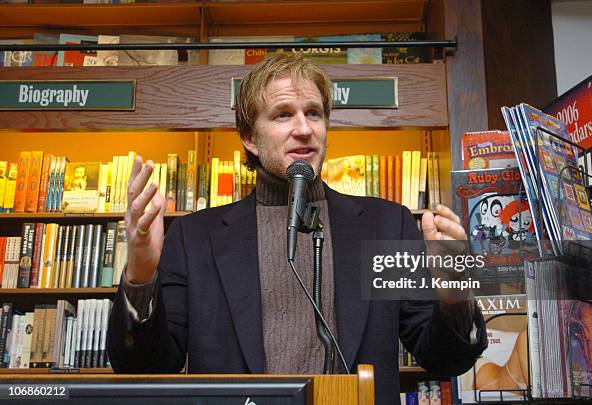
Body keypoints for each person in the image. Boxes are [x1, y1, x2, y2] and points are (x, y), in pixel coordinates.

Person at [108, 53, 487, 405]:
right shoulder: (195, 238)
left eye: (315, 113)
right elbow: (147, 367)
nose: (304, 129)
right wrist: (140, 275)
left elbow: (445, 359)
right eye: (283, 115)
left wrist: (455, 299)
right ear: (250, 138)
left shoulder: (385, 225)